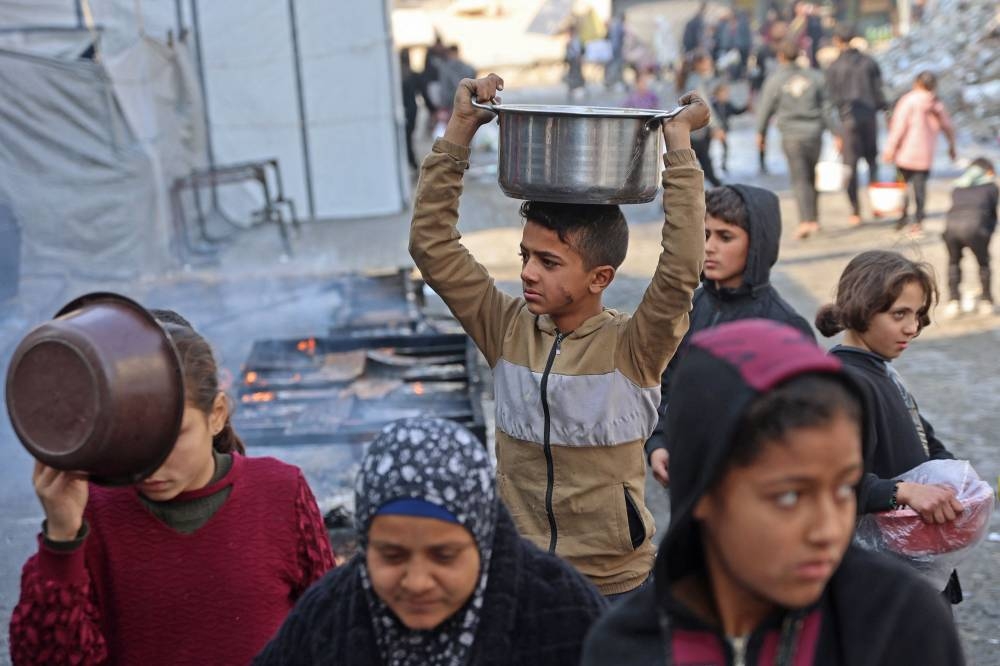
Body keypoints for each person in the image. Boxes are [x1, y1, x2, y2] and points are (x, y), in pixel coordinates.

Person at [408, 73, 708, 598]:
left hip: (613, 586)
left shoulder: (634, 348)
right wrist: (459, 131)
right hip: (521, 574)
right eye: (525, 256)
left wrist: (678, 146)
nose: (527, 272)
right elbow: (431, 245)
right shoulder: (504, 328)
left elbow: (681, 266)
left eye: (548, 262)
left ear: (600, 278)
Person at [581, 319, 965, 665]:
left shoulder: (898, 623)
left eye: (845, 488)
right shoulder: (628, 646)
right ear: (704, 493)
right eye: (789, 496)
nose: (828, 530)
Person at [9, 310, 336, 665]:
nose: (150, 460)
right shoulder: (92, 514)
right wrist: (62, 539)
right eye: (134, 437)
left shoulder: (280, 492)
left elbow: (329, 629)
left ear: (217, 414)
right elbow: (45, 658)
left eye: (173, 436)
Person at [255, 417, 607, 665]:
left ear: (483, 540)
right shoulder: (327, 618)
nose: (417, 582)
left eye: (444, 555)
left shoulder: (564, 614)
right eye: (392, 556)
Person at [816, 250, 966, 603]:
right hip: (871, 581)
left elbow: (926, 442)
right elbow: (825, 479)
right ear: (862, 308)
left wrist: (957, 480)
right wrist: (901, 492)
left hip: (910, 569)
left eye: (918, 315)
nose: (912, 328)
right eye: (899, 314)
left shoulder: (882, 370)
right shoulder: (838, 382)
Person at [645, 185, 815, 486]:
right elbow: (665, 382)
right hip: (689, 482)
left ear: (757, 244)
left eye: (726, 237)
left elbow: (800, 425)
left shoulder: (784, 326)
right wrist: (658, 442)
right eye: (706, 234)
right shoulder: (691, 307)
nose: (710, 247)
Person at [756, 39, 839, 239]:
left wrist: (761, 133)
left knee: (799, 177)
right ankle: (814, 218)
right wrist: (836, 132)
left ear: (781, 57)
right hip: (814, 133)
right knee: (811, 175)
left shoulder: (775, 81)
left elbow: (765, 108)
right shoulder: (815, 77)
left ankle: (805, 221)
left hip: (791, 135)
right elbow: (827, 108)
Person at [825, 24, 888, 226]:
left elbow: (830, 100)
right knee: (872, 162)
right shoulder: (869, 62)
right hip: (869, 119)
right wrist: (885, 111)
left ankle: (855, 211)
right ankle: (876, 204)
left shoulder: (833, 67)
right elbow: (879, 91)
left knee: (849, 167)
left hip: (847, 121)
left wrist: (834, 130)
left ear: (836, 40)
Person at [883, 71, 957, 237]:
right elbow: (948, 127)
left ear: (917, 83)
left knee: (902, 186)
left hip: (905, 155)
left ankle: (902, 217)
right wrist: (952, 146)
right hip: (925, 155)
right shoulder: (936, 103)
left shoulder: (908, 101)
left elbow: (898, 127)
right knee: (920, 188)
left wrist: (890, 149)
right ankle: (918, 221)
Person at [942, 158, 997, 317]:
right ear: (987, 171)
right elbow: (992, 216)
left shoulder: (957, 187)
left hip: (951, 228)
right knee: (983, 263)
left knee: (953, 263)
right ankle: (986, 301)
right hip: (976, 228)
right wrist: (987, 234)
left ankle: (954, 302)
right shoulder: (991, 187)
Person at [710, 81, 748, 173]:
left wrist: (746, 107)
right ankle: (709, 166)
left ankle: (723, 166)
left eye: (727, 94)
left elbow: (737, 111)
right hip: (713, 130)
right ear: (717, 94)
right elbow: (709, 117)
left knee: (725, 148)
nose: (726, 96)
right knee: (710, 148)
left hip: (723, 130)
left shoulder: (727, 105)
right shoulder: (712, 105)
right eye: (724, 94)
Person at [400, 48, 421, 170]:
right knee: (408, 138)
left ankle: (411, 163)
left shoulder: (397, 75)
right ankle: (412, 163)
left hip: (404, 109)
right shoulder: (412, 74)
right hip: (411, 109)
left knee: (406, 138)